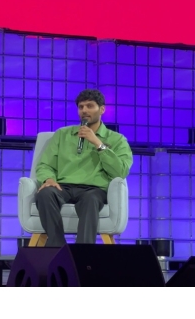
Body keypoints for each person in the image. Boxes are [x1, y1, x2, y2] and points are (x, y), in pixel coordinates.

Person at [34, 89, 133, 247]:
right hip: (63, 186)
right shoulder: (62, 134)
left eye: (90, 106)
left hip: (93, 189)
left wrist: (98, 143)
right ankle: (57, 247)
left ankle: (83, 253)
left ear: (102, 109)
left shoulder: (117, 140)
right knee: (45, 194)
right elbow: (45, 164)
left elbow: (120, 172)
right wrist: (49, 179)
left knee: (91, 200)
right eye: (81, 107)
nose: (84, 110)